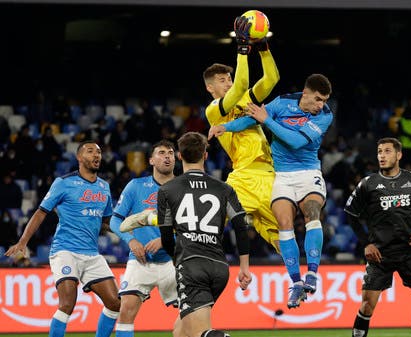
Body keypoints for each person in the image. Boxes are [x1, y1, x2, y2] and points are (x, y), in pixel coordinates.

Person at [210, 73, 333, 308]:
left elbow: (295, 141)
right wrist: (225, 127)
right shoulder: (283, 102)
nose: (321, 105)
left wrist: (267, 120)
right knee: (284, 223)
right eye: (317, 99)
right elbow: (253, 119)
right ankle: (296, 283)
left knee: (311, 212)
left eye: (324, 100)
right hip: (282, 176)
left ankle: (313, 274)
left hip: (309, 173)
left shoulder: (325, 115)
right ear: (305, 93)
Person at [5, 141, 120, 337]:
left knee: (115, 303)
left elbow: (106, 222)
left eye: (99, 152)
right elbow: (41, 213)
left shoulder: (104, 187)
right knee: (67, 303)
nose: (97, 155)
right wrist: (23, 241)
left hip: (92, 254)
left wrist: (127, 231)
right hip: (65, 251)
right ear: (79, 157)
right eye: (91, 151)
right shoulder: (63, 183)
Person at [157, 132, 251, 337]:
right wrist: (244, 266)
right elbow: (241, 227)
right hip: (219, 267)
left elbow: (166, 237)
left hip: (191, 265)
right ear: (205, 155)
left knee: (199, 333)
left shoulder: (167, 190)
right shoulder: (225, 189)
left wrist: (177, 259)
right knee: (180, 331)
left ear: (179, 156)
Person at [204, 15, 280, 253]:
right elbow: (241, 83)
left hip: (268, 174)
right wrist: (243, 49)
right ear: (210, 88)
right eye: (221, 80)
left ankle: (300, 281)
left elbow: (272, 79)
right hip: (242, 177)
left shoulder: (246, 98)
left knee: (283, 236)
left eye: (228, 78)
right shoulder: (214, 110)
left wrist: (264, 49)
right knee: (210, 226)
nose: (227, 83)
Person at [345, 137, 411, 337]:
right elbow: (350, 213)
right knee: (367, 306)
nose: (382, 156)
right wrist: (366, 243)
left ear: (398, 155)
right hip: (380, 255)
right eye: (379, 152)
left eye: (387, 151)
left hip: (410, 254)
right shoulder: (368, 184)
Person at [109, 140, 182, 337]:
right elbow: (115, 221)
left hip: (174, 260)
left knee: (190, 313)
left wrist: (167, 239)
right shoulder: (135, 186)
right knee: (125, 311)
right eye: (161, 153)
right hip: (141, 261)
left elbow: (191, 226)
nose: (167, 156)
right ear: (151, 160)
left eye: (170, 153)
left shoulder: (183, 188)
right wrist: (131, 241)